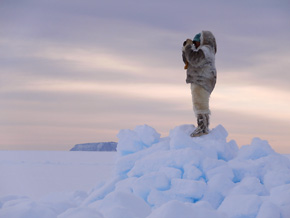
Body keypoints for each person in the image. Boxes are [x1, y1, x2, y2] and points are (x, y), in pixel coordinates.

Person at [182, 31, 217, 137]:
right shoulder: (205, 50)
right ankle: (203, 126)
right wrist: (186, 49)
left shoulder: (205, 50)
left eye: (196, 42)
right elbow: (188, 60)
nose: (195, 44)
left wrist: (188, 47)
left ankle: (202, 128)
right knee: (199, 103)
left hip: (202, 79)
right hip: (201, 79)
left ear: (203, 40)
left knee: (200, 104)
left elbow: (194, 59)